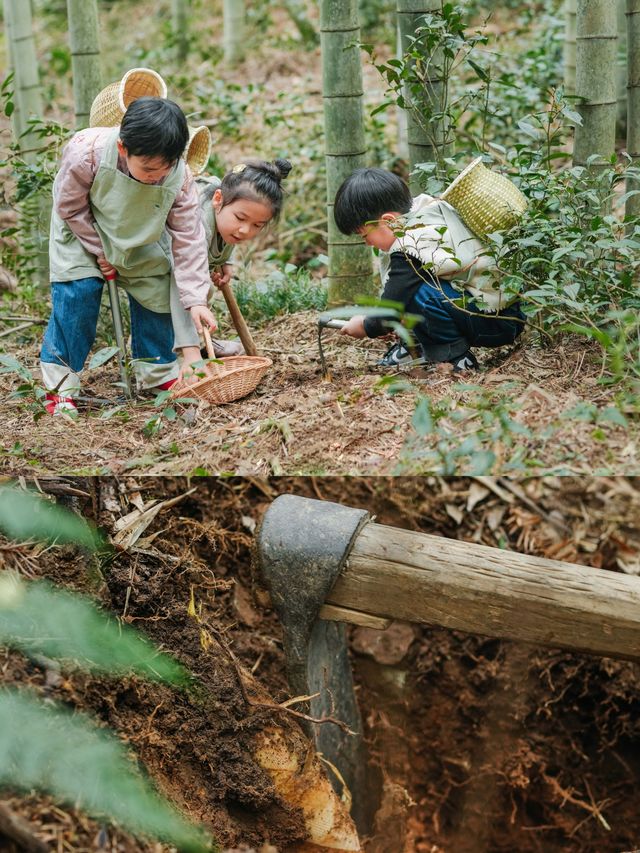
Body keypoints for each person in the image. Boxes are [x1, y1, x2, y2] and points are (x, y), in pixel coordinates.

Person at [40, 97, 217, 415]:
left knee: (158, 291)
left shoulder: (181, 179)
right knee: (78, 294)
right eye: (148, 169)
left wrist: (196, 299)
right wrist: (99, 249)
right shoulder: (87, 153)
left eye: (166, 168)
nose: (156, 176)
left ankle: (158, 373)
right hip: (82, 229)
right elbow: (70, 206)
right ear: (123, 149)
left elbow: (189, 240)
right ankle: (59, 388)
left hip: (138, 233)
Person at [332, 167, 525, 371]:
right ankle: (415, 348)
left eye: (364, 235)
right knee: (410, 290)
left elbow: (391, 308)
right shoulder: (424, 212)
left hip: (496, 322)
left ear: (388, 221)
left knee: (416, 292)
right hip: (496, 314)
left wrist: (365, 325)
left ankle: (456, 358)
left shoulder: (413, 244)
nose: (367, 244)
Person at [172, 158, 292, 380]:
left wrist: (227, 259)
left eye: (257, 225)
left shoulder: (225, 214)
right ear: (218, 199)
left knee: (203, 291)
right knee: (194, 293)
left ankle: (199, 345)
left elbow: (229, 231)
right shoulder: (195, 221)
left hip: (188, 264)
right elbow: (186, 278)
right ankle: (186, 354)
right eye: (240, 218)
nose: (245, 230)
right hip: (159, 261)